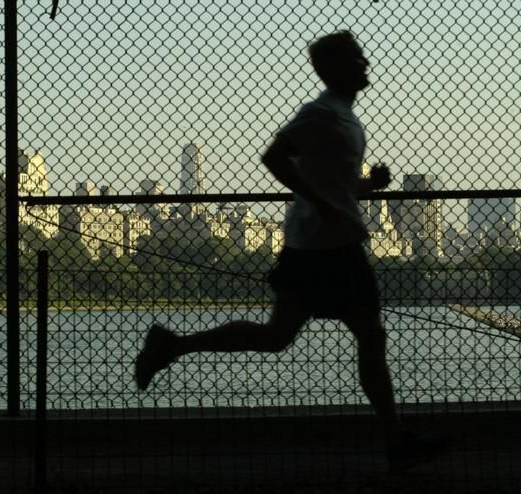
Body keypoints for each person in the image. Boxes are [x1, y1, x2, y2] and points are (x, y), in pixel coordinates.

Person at [134, 31, 445, 472]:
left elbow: (334, 186)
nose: (364, 63)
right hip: (324, 246)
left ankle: (172, 346)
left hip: (326, 244)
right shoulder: (320, 115)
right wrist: (320, 201)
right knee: (354, 336)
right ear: (334, 70)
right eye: (355, 59)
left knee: (288, 336)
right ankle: (395, 440)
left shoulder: (342, 116)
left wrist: (365, 188)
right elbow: (275, 158)